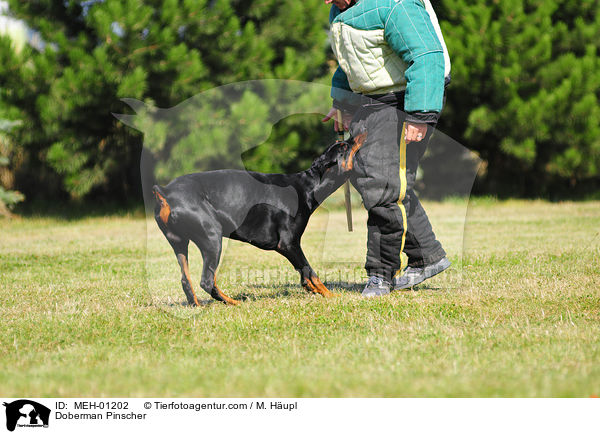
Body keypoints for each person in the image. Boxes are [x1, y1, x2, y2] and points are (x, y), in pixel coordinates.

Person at [321, 0, 452, 296]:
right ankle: (426, 257)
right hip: (371, 103)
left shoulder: (396, 4)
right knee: (378, 183)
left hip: (403, 101)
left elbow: (427, 55)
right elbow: (351, 62)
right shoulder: (340, 11)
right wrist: (342, 102)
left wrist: (420, 114)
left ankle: (382, 274)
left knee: (383, 188)